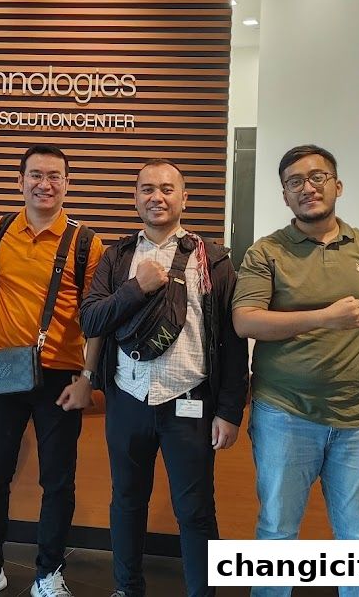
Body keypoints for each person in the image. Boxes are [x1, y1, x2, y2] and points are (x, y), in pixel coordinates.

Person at [232, 144, 359, 597]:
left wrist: (354, 343)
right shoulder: (266, 252)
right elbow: (246, 320)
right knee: (276, 536)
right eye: (294, 182)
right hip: (285, 415)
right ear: (284, 196)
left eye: (317, 177)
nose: (307, 188)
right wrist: (324, 319)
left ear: (337, 185)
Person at [79, 159, 248, 597]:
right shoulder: (117, 258)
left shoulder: (213, 259)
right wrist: (138, 287)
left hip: (190, 405)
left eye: (168, 189)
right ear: (135, 197)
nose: (157, 196)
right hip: (127, 400)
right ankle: (127, 588)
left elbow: (232, 341)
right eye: (147, 189)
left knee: (194, 511)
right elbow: (92, 318)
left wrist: (229, 411)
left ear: (184, 198)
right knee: (127, 502)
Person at [0, 145, 105, 597]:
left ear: (67, 183)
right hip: (2, 368)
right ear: (20, 181)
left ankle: (48, 572)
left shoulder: (85, 242)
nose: (45, 184)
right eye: (36, 175)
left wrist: (87, 378)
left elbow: (94, 319)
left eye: (55, 176)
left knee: (57, 478)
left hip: (61, 375)